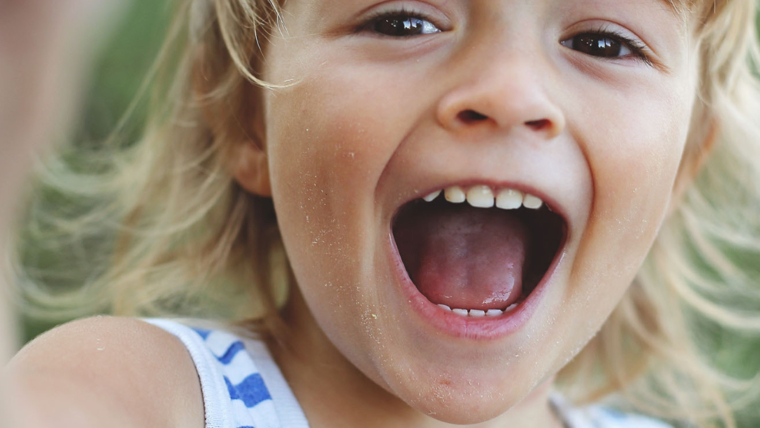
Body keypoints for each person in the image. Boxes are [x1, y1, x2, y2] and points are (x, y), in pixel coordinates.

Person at [4, 0, 760, 427]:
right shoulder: (141, 397)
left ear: (682, 166)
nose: (508, 93)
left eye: (602, 41)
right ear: (246, 118)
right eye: (403, 22)